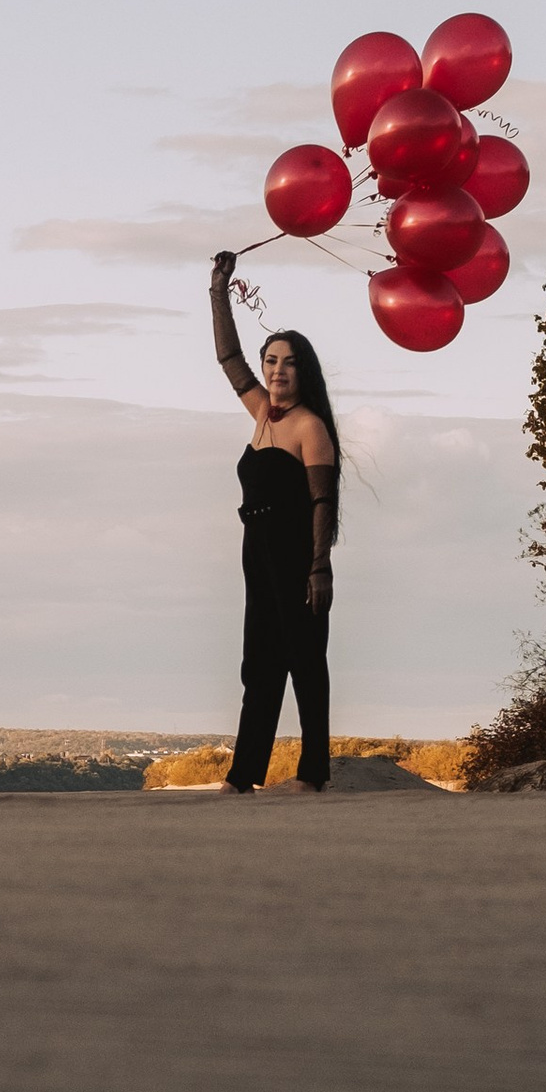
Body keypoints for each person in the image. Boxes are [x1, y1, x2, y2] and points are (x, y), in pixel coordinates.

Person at [207, 257, 340, 795]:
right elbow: (226, 356)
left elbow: (322, 503)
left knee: (305, 661)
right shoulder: (263, 413)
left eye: (287, 362)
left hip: (295, 555)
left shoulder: (310, 427)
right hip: (254, 551)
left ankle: (313, 774)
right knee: (258, 665)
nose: (276, 370)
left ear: (303, 370)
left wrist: (319, 567)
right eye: (271, 361)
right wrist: (218, 291)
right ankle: (243, 778)